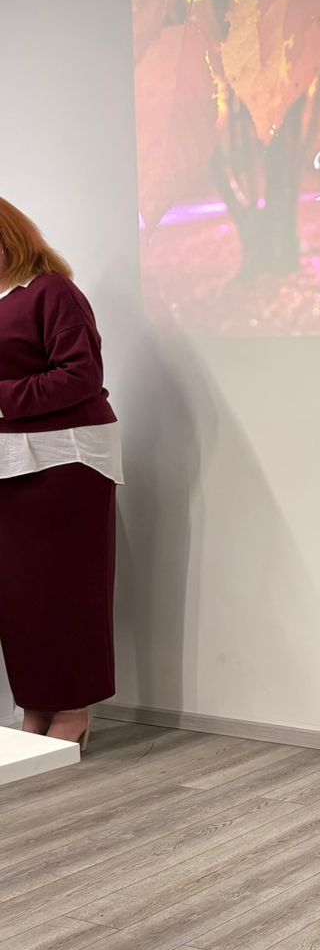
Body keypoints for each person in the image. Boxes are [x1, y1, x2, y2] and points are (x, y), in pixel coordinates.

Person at [0, 198, 121, 750]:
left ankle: (73, 709)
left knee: (67, 588)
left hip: (65, 461)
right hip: (10, 462)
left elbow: (81, 373)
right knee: (19, 594)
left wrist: (3, 399)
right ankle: (36, 704)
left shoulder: (52, 291)